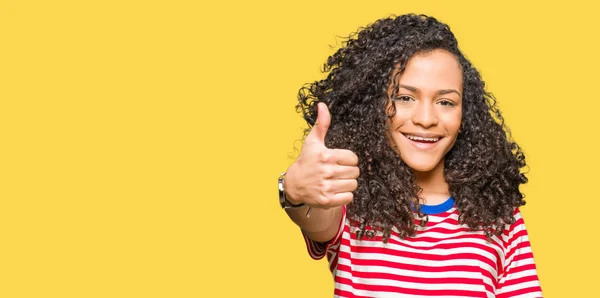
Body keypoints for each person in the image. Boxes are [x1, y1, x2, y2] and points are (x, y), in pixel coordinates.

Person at [278, 14, 542, 298]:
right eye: (404, 98)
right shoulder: (350, 196)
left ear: (466, 114)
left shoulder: (499, 215)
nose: (426, 119)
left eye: (445, 102)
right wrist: (293, 190)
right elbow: (317, 218)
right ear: (373, 106)